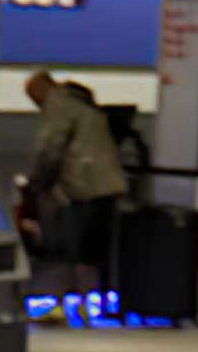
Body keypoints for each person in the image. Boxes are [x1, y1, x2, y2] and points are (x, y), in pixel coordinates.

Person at [20, 69, 130, 301]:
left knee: (76, 251)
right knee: (95, 252)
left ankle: (78, 302)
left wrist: (35, 183)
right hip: (106, 185)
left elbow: (50, 149)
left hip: (82, 186)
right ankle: (97, 301)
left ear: (39, 92)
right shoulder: (79, 102)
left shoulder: (59, 104)